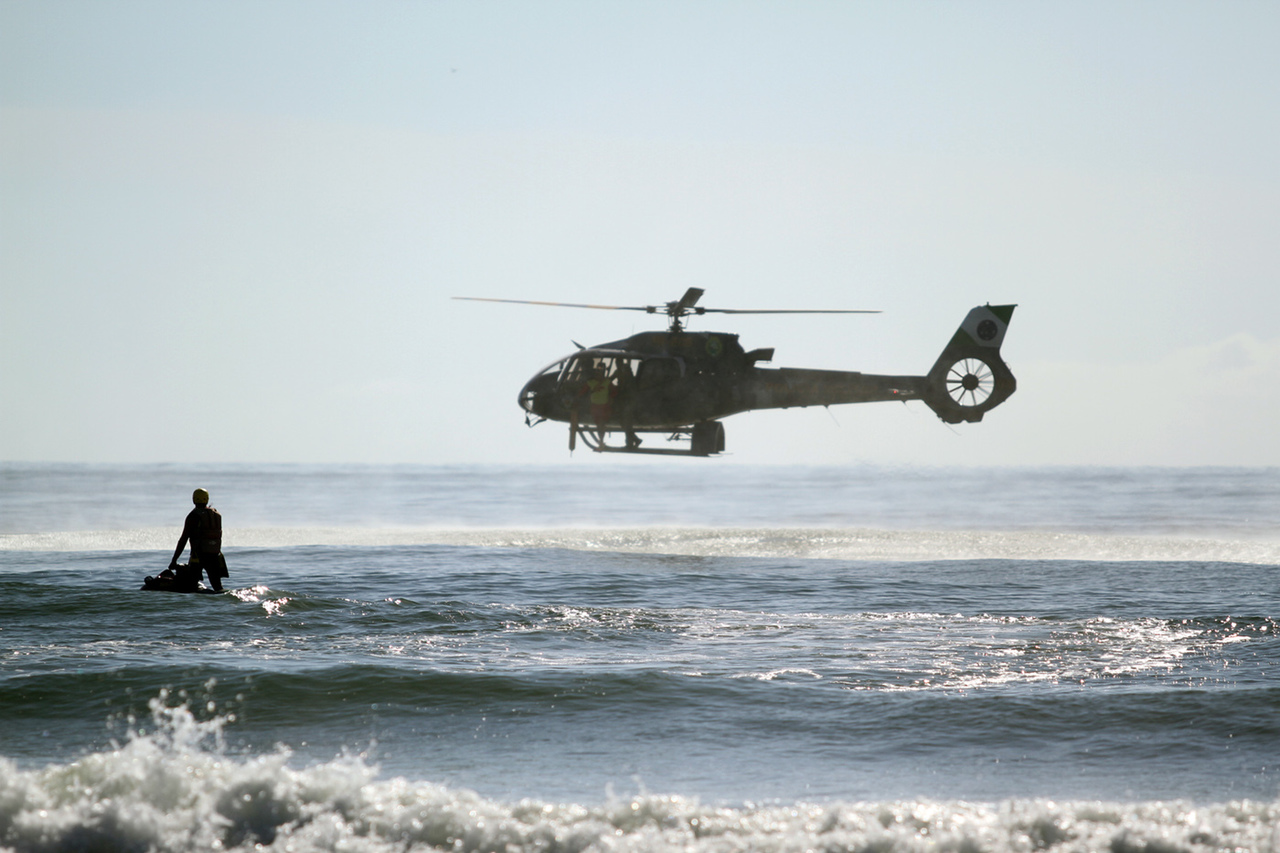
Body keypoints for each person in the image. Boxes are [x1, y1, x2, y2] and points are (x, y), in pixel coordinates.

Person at [170, 487, 228, 591]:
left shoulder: (193, 516)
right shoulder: (216, 515)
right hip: (215, 555)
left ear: (193, 499)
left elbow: (183, 539)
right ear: (207, 499)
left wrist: (174, 560)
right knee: (218, 587)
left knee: (191, 587)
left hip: (198, 556)